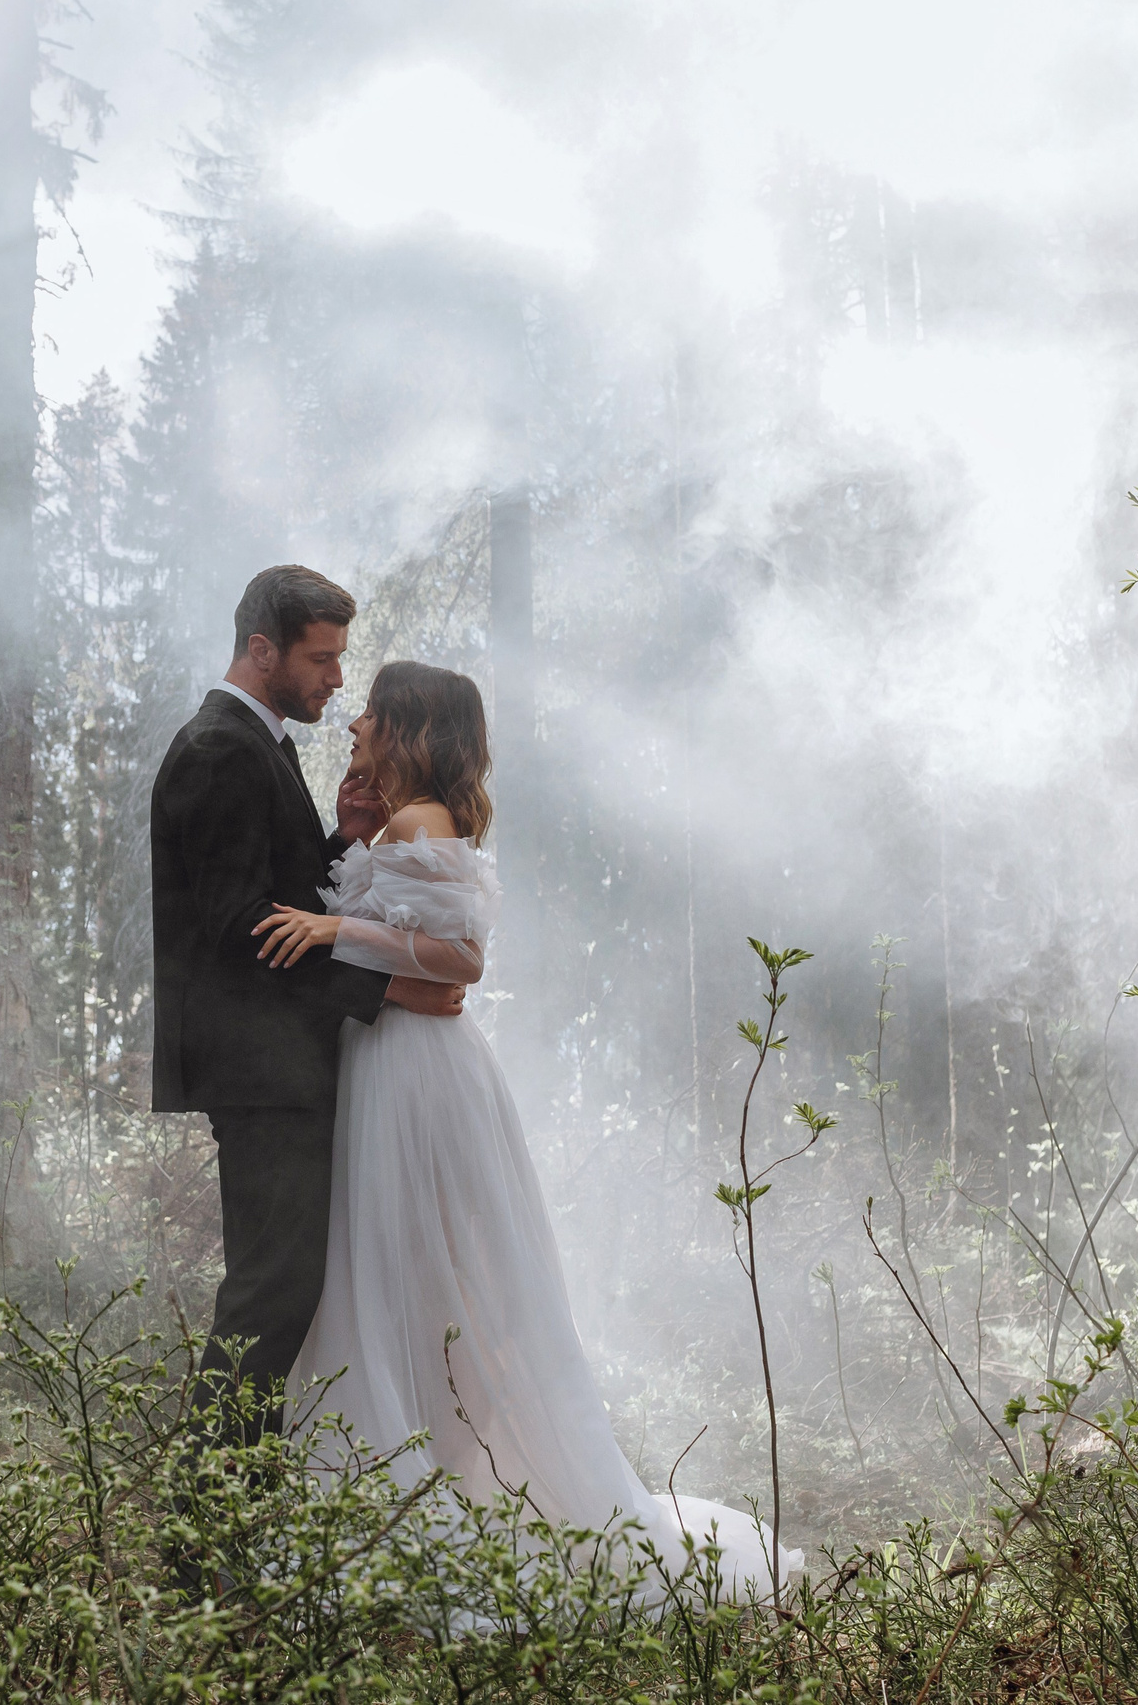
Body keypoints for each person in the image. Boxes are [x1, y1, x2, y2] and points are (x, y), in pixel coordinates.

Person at [252, 660, 801, 1600]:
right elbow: (420, 953)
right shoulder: (402, 823)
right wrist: (350, 855)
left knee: (423, 1277)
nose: (355, 724)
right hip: (392, 1063)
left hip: (416, 1074)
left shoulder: (425, 823)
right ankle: (414, 1486)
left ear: (412, 730)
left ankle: (427, 1490)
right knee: (408, 1282)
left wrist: (333, 928)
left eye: (373, 713)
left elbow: (458, 962)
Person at [148, 567, 468, 1447]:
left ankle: (237, 1507)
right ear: (262, 649)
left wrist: (346, 844)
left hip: (284, 1061)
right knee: (269, 1293)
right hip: (261, 1070)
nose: (336, 678)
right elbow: (241, 926)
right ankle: (208, 1524)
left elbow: (281, 897)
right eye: (321, 659)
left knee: (284, 1290)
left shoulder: (261, 743)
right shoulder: (220, 748)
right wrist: (390, 985)